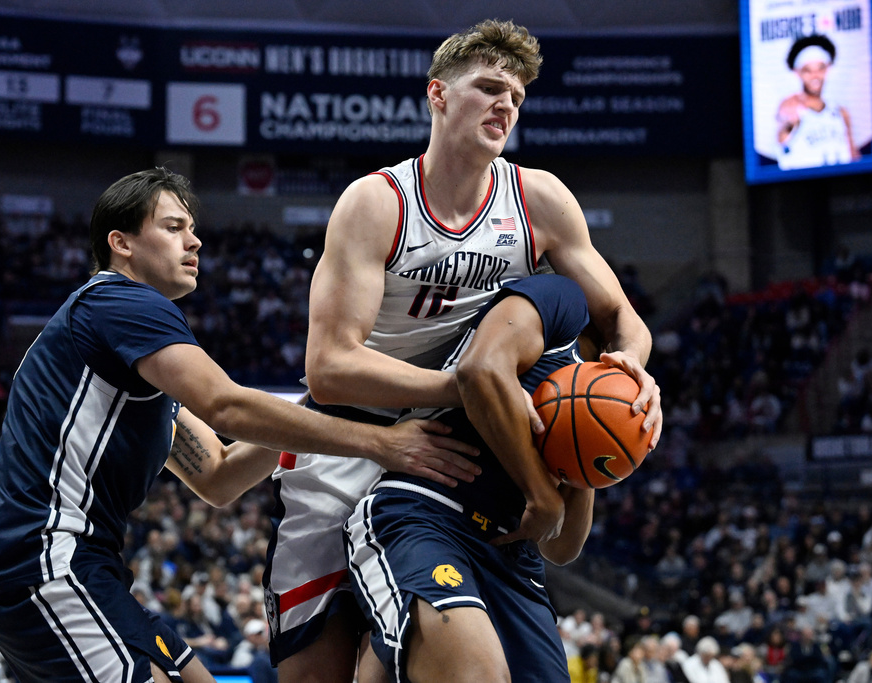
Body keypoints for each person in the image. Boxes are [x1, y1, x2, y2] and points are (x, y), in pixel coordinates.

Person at [0, 168, 479, 683]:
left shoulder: (129, 369)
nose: (195, 242)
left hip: (79, 566)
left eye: (193, 229)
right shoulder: (119, 300)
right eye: (174, 228)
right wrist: (383, 443)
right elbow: (227, 406)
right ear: (122, 243)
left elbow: (220, 476)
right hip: (41, 558)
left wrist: (328, 400)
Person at [264, 18, 661, 683]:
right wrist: (473, 383)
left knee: (436, 648)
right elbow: (328, 369)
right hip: (353, 437)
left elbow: (621, 318)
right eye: (488, 87)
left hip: (455, 453)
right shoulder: (376, 201)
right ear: (438, 96)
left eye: (516, 96)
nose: (505, 103)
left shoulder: (538, 199)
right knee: (317, 672)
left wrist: (630, 368)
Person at [345, 273, 598, 682]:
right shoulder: (558, 299)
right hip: (429, 510)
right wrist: (542, 493)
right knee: (476, 673)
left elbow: (562, 548)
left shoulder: (609, 392)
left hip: (511, 550)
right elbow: (479, 370)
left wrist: (585, 467)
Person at [776, 34, 860, 170]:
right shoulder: (791, 107)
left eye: (820, 68)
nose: (815, 76)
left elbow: (853, 155)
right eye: (808, 70)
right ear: (798, 73)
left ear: (828, 69)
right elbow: (782, 137)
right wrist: (790, 122)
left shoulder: (840, 112)